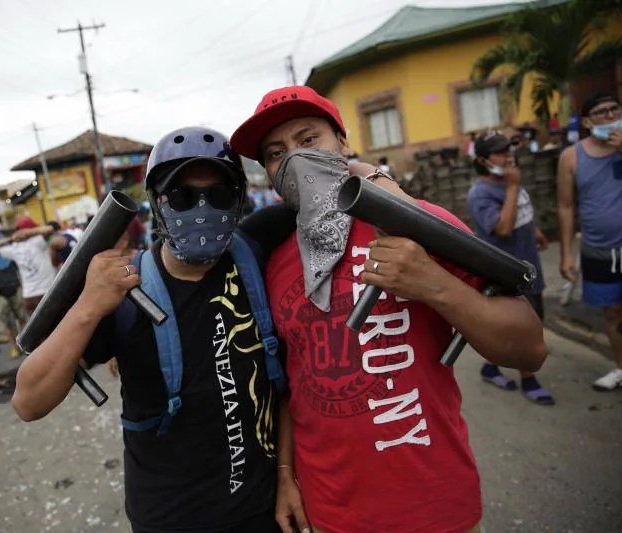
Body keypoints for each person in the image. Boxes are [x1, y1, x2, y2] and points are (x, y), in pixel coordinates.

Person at [230, 85, 548, 533]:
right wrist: (285, 474)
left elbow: (529, 349)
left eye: (308, 140)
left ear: (342, 143)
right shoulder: (274, 260)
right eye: (277, 153)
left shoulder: (415, 223)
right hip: (328, 513)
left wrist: (434, 284)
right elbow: (290, 384)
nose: (295, 160)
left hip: (435, 508)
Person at [12, 127, 288, 532]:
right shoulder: (123, 294)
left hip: (263, 509)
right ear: (157, 204)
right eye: (182, 196)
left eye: (220, 195)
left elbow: (329, 193)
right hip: (171, 518)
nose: (201, 208)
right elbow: (29, 402)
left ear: (239, 201)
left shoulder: (255, 248)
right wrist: (88, 307)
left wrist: (375, 176)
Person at [467, 130, 555, 405]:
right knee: (523, 329)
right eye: (501, 152)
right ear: (482, 159)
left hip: (529, 266)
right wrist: (514, 186)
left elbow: (520, 213)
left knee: (527, 323)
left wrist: (536, 231)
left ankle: (489, 368)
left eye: (510, 150)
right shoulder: (480, 193)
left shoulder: (509, 181)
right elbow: (503, 228)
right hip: (508, 276)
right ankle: (529, 381)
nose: (509, 156)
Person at [558, 91, 622, 391]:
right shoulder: (571, 157)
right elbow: (566, 206)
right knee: (612, 312)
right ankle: (621, 368)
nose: (610, 117)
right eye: (602, 112)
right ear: (586, 121)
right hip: (598, 249)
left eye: (615, 110)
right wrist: (567, 255)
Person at [0, 217, 58, 315]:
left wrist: (13, 238)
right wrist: (21, 235)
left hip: (29, 296)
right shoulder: (39, 241)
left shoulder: (14, 248)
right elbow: (50, 229)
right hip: (47, 292)